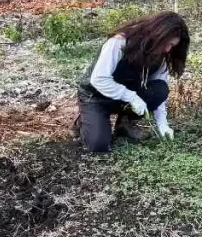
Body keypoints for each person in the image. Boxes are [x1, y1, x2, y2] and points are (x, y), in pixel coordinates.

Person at [74, 11, 189, 153]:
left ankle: (124, 123)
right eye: (167, 43)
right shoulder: (119, 42)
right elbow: (99, 79)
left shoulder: (161, 56)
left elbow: (160, 91)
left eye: (172, 46)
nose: (168, 49)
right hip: (96, 96)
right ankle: (84, 120)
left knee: (160, 89)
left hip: (123, 97)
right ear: (158, 34)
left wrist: (162, 124)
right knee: (98, 145)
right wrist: (132, 97)